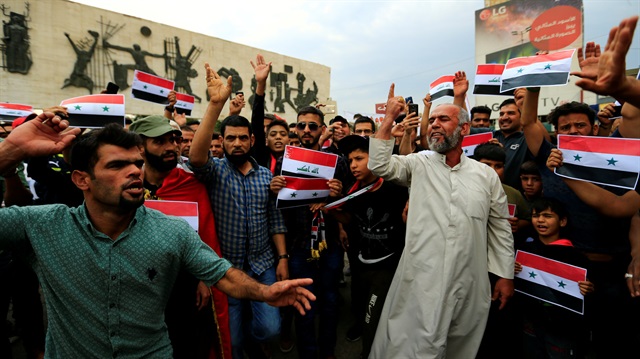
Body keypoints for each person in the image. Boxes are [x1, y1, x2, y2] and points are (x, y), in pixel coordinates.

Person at [0, 115, 315, 358]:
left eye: (136, 163)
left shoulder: (171, 230)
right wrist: (9, 153)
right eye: (117, 165)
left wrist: (265, 293)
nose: (134, 171)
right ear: (83, 179)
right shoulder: (43, 226)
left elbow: (222, 274)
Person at [368, 84, 514, 358]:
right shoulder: (419, 163)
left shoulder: (485, 175)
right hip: (421, 277)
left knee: (459, 343)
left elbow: (500, 227)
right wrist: (389, 119)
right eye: (431, 119)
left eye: (443, 119)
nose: (434, 124)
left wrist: (505, 275)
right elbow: (380, 166)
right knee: (411, 344)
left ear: (464, 129)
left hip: (469, 278)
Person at [188, 63, 289, 359]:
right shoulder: (214, 171)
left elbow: (276, 219)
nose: (236, 143)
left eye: (243, 138)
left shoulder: (266, 178)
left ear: (252, 140)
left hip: (263, 264)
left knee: (270, 329)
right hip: (225, 267)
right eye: (229, 138)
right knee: (232, 338)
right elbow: (195, 156)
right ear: (221, 141)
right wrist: (216, 104)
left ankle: (256, 339)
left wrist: (282, 258)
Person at [129, 115, 232, 358]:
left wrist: (203, 278)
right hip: (139, 286)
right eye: (160, 142)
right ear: (140, 148)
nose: (171, 147)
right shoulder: (126, 185)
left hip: (186, 289)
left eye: (174, 140)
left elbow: (205, 239)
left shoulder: (190, 185)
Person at [270, 105, 347, 359]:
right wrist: (275, 187)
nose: (306, 130)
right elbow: (277, 208)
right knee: (303, 304)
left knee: (330, 302)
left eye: (312, 126)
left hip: (330, 244)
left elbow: (349, 204)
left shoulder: (338, 162)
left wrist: (336, 197)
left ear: (321, 130)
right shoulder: (284, 162)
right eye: (301, 125)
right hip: (299, 246)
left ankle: (328, 352)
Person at [327, 135, 408, 359]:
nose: (353, 165)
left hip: (388, 266)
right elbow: (350, 220)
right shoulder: (354, 190)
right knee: (364, 312)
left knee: (372, 318)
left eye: (359, 158)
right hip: (361, 264)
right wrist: (331, 209)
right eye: (350, 160)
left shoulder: (396, 189)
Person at [514, 198, 594, 358]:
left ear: (562, 221)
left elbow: (589, 290)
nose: (541, 220)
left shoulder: (575, 257)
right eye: (536, 215)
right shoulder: (525, 248)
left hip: (562, 328)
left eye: (547, 216)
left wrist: (589, 288)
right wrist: (513, 270)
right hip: (531, 320)